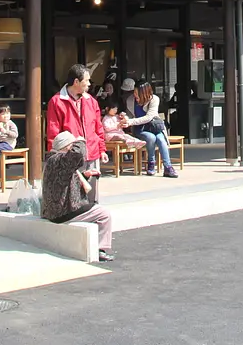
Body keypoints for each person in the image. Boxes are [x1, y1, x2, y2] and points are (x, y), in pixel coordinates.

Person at [43, 131, 114, 262]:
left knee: (94, 210)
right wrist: (80, 141)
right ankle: (100, 249)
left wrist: (85, 175)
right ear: (67, 147)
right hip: (63, 211)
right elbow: (77, 155)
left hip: (54, 210)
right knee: (104, 214)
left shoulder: (52, 160)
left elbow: (64, 181)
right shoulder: (59, 160)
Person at [46, 64, 107, 198]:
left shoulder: (91, 101)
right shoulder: (56, 102)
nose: (90, 84)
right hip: (70, 156)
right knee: (72, 195)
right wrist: (55, 157)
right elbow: (53, 132)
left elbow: (98, 127)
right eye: (87, 80)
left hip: (92, 152)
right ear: (76, 82)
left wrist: (102, 149)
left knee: (92, 196)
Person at [124, 81, 179, 178]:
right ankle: (151, 163)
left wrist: (131, 121)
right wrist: (124, 117)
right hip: (140, 129)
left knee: (161, 140)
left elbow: (149, 117)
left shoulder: (154, 99)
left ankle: (168, 167)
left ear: (144, 93)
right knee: (151, 138)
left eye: (137, 93)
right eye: (134, 93)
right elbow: (129, 115)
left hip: (154, 126)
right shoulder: (130, 100)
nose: (135, 95)